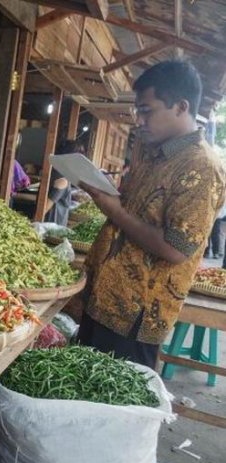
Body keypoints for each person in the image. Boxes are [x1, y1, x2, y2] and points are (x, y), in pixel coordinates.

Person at [78, 60, 226, 368]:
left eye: (147, 111)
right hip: (102, 292)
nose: (139, 120)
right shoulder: (148, 148)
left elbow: (177, 247)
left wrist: (114, 211)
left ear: (180, 107)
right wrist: (107, 193)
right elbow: (135, 207)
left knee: (114, 402)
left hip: (135, 313)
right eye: (138, 111)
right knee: (80, 386)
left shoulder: (202, 166)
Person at [44, 139, 84, 227]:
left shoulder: (61, 173)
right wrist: (34, 220)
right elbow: (46, 206)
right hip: (51, 226)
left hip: (55, 225)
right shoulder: (62, 178)